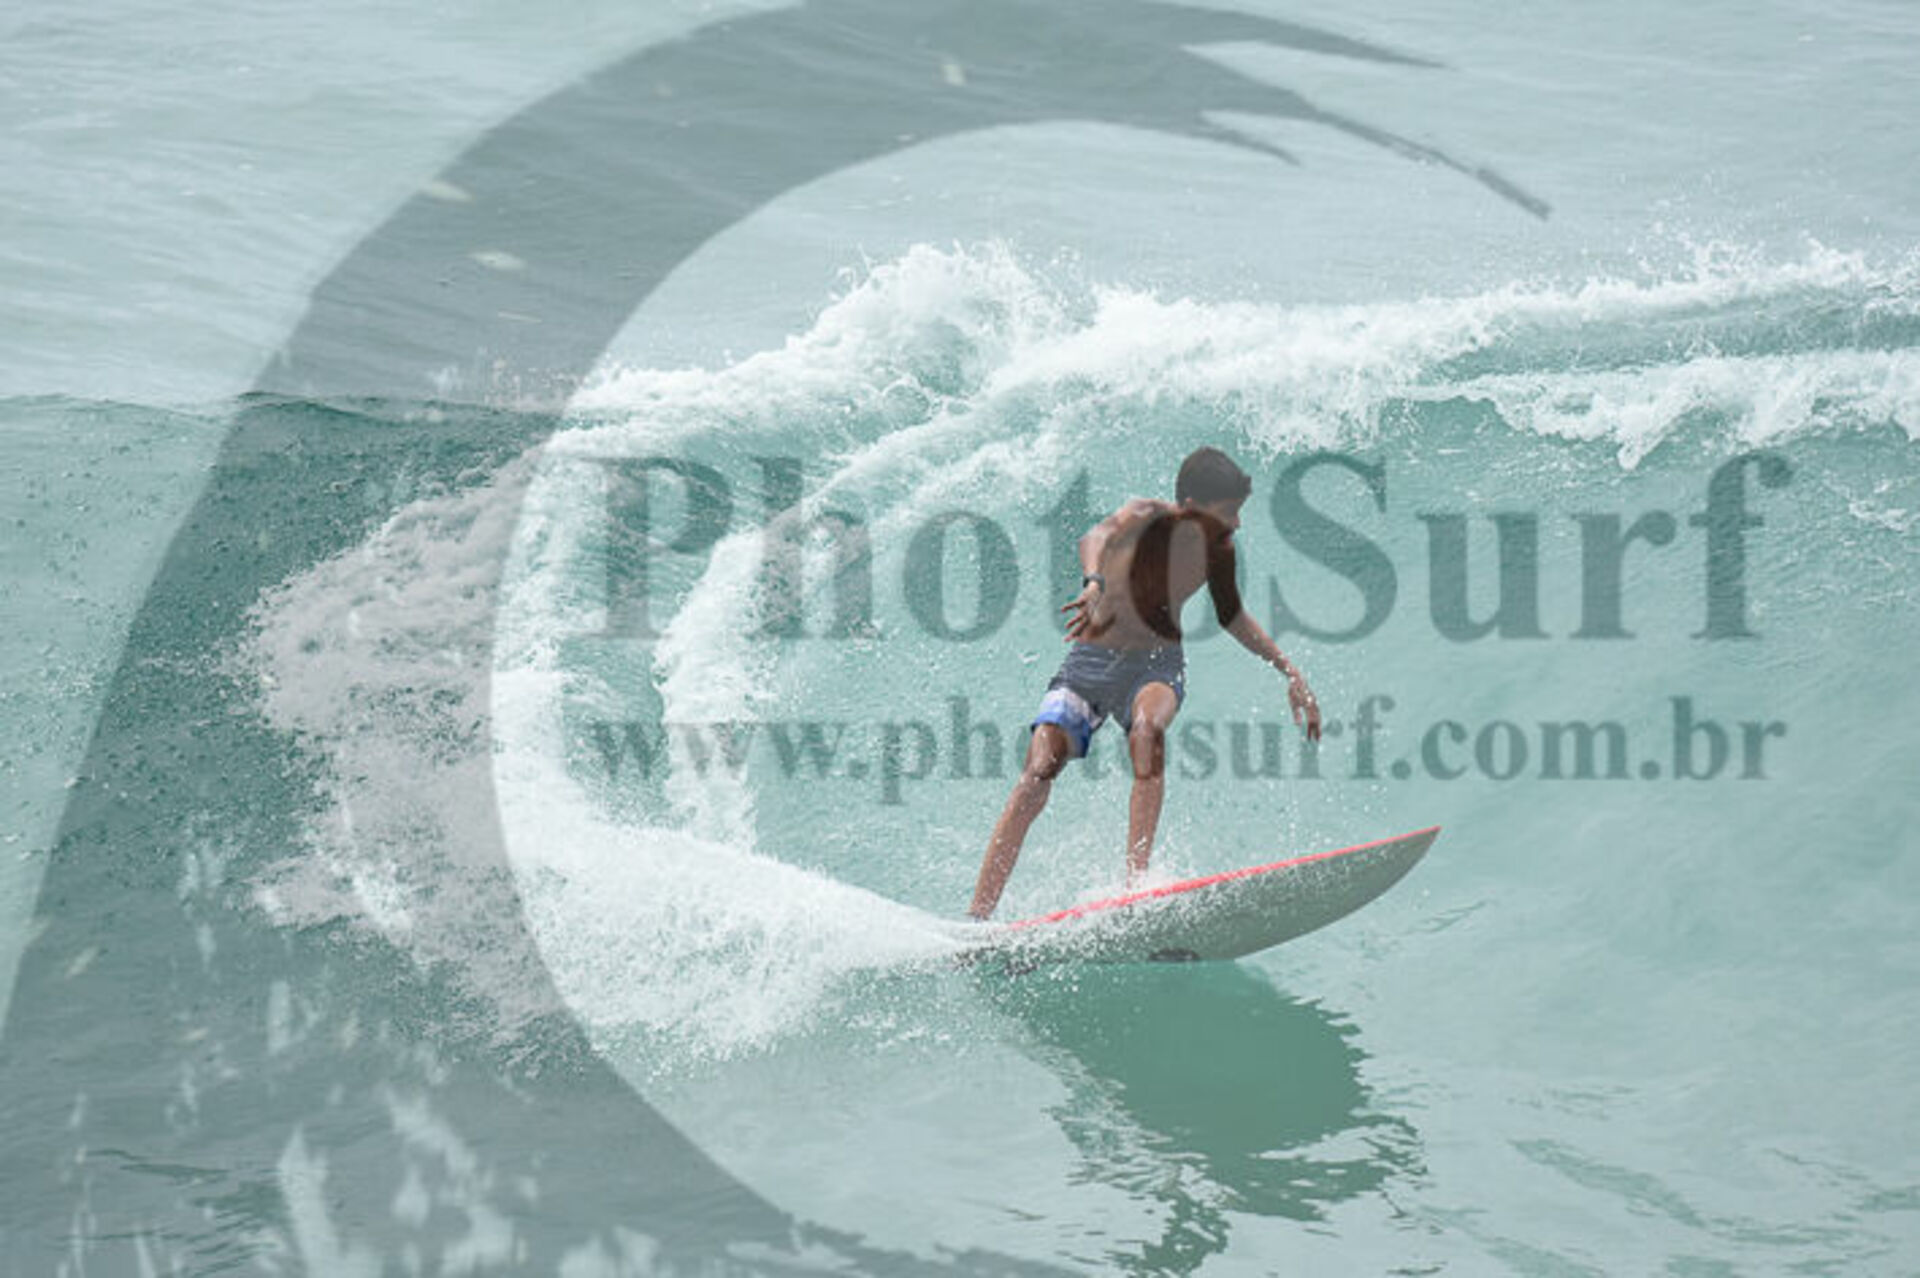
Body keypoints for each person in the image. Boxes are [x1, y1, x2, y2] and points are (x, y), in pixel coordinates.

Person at [967, 447, 1323, 920]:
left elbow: (1231, 616)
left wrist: (1288, 670)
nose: (1236, 524)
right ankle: (978, 918)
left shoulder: (1218, 550)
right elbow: (1095, 536)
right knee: (1036, 775)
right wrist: (1093, 582)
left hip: (1157, 664)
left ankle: (1136, 888)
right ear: (1191, 506)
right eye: (1228, 512)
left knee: (1147, 731)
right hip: (1090, 662)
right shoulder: (1143, 517)